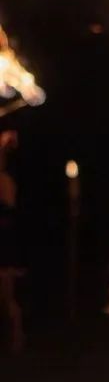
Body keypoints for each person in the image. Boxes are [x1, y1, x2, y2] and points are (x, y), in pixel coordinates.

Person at [0, 130, 24, 354]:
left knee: (7, 297)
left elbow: (6, 214)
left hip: (3, 248)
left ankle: (16, 338)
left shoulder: (6, 182)